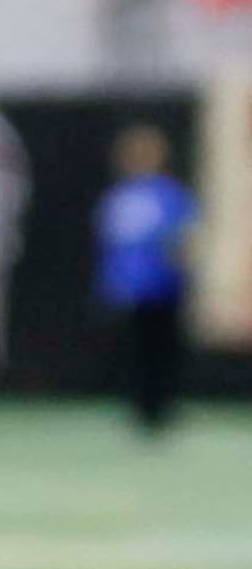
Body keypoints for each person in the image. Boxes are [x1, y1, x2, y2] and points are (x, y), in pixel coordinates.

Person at [94, 123, 199, 436]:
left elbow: (184, 240)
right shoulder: (119, 196)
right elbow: (110, 244)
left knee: (164, 350)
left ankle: (163, 409)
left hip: (164, 287)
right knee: (137, 352)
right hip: (133, 288)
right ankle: (141, 409)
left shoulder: (169, 194)